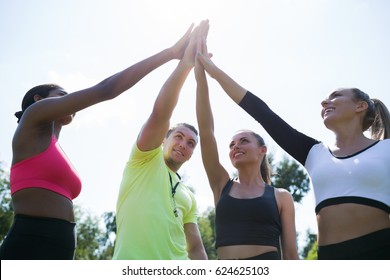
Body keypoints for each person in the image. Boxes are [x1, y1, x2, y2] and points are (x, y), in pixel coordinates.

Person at [0, 24, 197, 260]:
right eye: (63, 95)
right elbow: (107, 89)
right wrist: (171, 53)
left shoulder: (55, 149)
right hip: (30, 241)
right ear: (39, 99)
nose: (70, 101)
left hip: (59, 248)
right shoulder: (33, 117)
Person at [195, 38, 390, 260]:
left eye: (335, 96)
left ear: (360, 106)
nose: (324, 103)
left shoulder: (386, 149)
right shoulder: (315, 154)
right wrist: (212, 71)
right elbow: (262, 113)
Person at [112, 20, 209, 260]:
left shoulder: (189, 195)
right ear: (163, 141)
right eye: (178, 137)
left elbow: (196, 247)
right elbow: (160, 113)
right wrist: (186, 65)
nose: (183, 145)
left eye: (190, 144)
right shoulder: (143, 159)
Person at [194, 40, 299, 260]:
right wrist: (200, 77)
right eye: (231, 145)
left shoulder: (281, 197)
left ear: (262, 150)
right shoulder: (221, 184)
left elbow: (290, 255)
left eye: (243, 141)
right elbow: (206, 132)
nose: (235, 147)